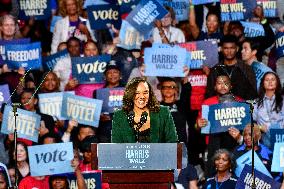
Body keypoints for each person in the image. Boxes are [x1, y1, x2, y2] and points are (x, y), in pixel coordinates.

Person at [112, 77, 178, 143]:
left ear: (150, 94)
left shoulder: (163, 112)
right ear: (130, 94)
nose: (142, 96)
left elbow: (172, 143)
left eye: (145, 92)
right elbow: (116, 148)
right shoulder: (119, 115)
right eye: (137, 93)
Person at [205, 35, 257, 100]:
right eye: (226, 48)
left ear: (237, 49)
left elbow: (253, 93)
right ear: (221, 49)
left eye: (232, 48)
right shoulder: (215, 70)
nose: (229, 51)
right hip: (220, 107)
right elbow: (209, 94)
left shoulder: (246, 69)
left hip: (242, 107)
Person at [253, 72, 284, 148]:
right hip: (264, 140)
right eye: (267, 80)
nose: (270, 82)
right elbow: (252, 123)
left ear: (277, 83)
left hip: (282, 138)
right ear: (263, 83)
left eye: (273, 79)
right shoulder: (256, 103)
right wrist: (260, 128)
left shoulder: (283, 100)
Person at [159, 76, 191, 144]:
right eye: (165, 87)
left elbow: (186, 92)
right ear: (161, 90)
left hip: (179, 147)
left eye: (171, 87)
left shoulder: (182, 105)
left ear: (176, 90)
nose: (168, 89)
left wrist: (185, 78)